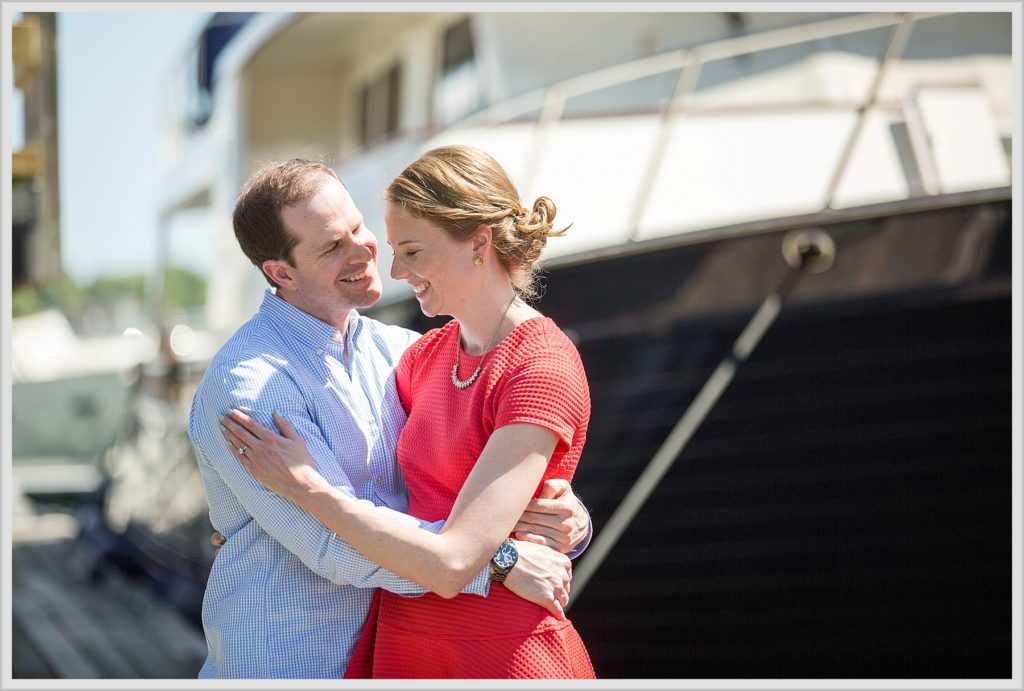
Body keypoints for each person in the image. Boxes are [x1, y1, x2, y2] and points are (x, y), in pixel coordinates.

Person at [188, 158, 591, 679]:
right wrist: (501, 561)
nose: (367, 254)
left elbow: (466, 467)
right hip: (294, 664)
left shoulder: (400, 351)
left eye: (358, 228)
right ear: (280, 272)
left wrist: (562, 514)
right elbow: (335, 546)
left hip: (407, 652)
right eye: (333, 246)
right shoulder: (248, 386)